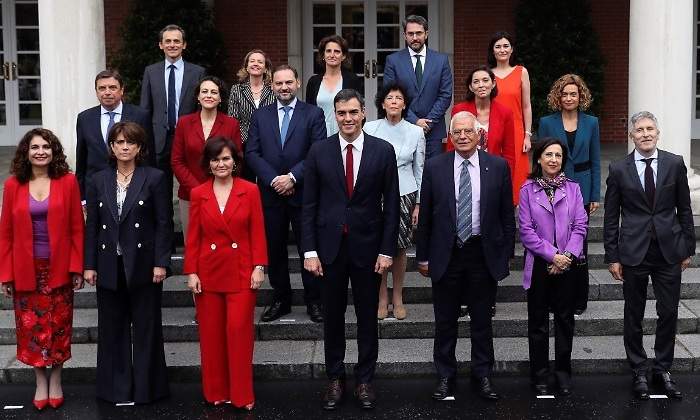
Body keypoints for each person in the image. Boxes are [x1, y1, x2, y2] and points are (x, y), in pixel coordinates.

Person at [302, 89, 399, 410]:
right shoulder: (319, 151)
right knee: (332, 317)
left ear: (364, 114)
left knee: (367, 318)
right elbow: (309, 205)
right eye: (342, 113)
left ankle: (365, 380)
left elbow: (392, 206)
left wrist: (387, 250)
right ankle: (335, 378)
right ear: (335, 116)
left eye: (353, 112)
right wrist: (309, 251)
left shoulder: (382, 151)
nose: (348, 118)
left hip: (368, 250)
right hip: (328, 251)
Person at [416, 111, 515, 402]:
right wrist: (422, 256)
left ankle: (482, 375)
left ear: (478, 134)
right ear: (450, 136)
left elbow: (506, 216)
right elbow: (426, 218)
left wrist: (506, 254)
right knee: (445, 321)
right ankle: (445, 376)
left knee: (482, 320)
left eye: (467, 131)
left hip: (482, 253)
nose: (462, 136)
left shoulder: (498, 166)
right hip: (446, 254)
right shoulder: (435, 166)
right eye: (456, 132)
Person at [603, 111, 695, 400]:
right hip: (634, 252)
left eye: (650, 129)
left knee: (668, 312)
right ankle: (639, 370)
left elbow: (685, 209)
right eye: (640, 130)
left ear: (658, 133)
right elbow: (611, 216)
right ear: (632, 135)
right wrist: (612, 255)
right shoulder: (619, 169)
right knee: (634, 313)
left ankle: (663, 368)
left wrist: (688, 247)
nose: (645, 134)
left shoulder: (674, 163)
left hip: (669, 251)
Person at [83, 122, 172, 404]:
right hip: (109, 263)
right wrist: (89, 264)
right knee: (112, 328)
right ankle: (116, 390)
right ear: (111, 147)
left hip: (145, 264)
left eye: (130, 142)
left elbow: (164, 223)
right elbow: (92, 226)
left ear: (139, 147)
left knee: (147, 328)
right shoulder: (98, 179)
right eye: (119, 142)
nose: (124, 147)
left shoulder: (154, 177)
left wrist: (161, 262)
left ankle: (148, 390)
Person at [0, 129, 84, 410]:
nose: (40, 152)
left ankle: (56, 379)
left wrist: (76, 267)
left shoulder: (68, 181)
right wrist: (6, 274)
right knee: (31, 329)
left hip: (59, 267)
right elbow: (5, 234)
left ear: (53, 151)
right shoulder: (13, 185)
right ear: (26, 152)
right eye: (34, 147)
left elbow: (77, 228)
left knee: (59, 327)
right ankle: (40, 382)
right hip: (26, 269)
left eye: (46, 147)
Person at [184, 136, 267, 410]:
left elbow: (257, 230)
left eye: (226, 158)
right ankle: (216, 391)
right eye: (215, 159)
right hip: (208, 272)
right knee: (211, 336)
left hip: (242, 271)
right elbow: (193, 237)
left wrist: (259, 266)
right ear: (208, 163)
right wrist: (191, 271)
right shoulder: (199, 193)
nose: (221, 164)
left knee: (239, 332)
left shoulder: (250, 190)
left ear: (235, 161)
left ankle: (242, 395)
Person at [247, 64, 327, 323]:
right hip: (270, 194)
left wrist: (292, 177)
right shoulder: (260, 115)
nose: (284, 87)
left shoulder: (313, 114)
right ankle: (281, 299)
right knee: (275, 248)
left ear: (298, 83)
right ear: (272, 85)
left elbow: (317, 151)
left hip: (303, 193)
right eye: (279, 83)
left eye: (289, 82)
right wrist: (274, 180)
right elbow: (252, 153)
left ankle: (314, 300)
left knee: (309, 247)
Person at [518, 137, 588, 396]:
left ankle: (562, 374)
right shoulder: (527, 190)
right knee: (537, 323)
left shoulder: (573, 189)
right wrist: (553, 255)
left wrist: (566, 256)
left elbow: (580, 225)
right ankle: (539, 375)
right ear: (539, 158)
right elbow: (526, 231)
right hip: (540, 264)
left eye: (558, 155)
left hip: (568, 264)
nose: (553, 160)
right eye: (548, 154)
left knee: (564, 321)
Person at [450, 65, 516, 319]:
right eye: (476, 81)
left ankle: (488, 299)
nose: (481, 85)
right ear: (470, 86)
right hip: (463, 176)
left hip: (493, 181)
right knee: (462, 242)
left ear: (492, 84)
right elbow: (452, 144)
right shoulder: (459, 110)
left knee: (491, 239)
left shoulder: (505, 112)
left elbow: (509, 152)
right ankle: (462, 298)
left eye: (485, 80)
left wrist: (508, 189)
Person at [538, 74, 601, 315]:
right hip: (553, 188)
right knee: (554, 242)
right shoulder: (547, 122)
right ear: (558, 96)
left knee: (578, 245)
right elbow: (542, 157)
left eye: (573, 94)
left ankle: (578, 299)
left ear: (580, 96)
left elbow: (596, 160)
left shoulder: (592, 123)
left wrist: (594, 194)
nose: (568, 98)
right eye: (564, 94)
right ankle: (553, 299)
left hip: (582, 189)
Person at [363, 82, 425, 320]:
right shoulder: (370, 128)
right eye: (389, 98)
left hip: (405, 192)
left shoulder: (415, 132)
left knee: (399, 248)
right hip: (375, 193)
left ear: (404, 104)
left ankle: (397, 296)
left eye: (398, 98)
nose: (394, 102)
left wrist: (418, 203)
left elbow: (420, 168)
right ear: (382, 103)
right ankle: (381, 297)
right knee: (377, 245)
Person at [140, 24, 206, 207]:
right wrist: (144, 140)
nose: (172, 45)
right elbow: (145, 108)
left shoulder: (198, 72)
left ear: (184, 44)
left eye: (176, 41)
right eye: (167, 41)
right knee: (160, 191)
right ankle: (165, 226)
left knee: (193, 185)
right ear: (161, 45)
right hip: (159, 140)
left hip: (188, 138)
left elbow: (202, 108)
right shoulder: (151, 72)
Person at [172, 75, 243, 234]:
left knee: (221, 242)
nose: (209, 95)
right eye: (204, 91)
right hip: (190, 195)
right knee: (192, 243)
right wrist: (198, 190)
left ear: (220, 98)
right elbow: (177, 160)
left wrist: (219, 189)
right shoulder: (184, 123)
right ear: (198, 97)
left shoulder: (231, 124)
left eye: (214, 92)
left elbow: (237, 159)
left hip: (223, 195)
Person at [383, 15, 452, 160]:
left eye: (419, 33)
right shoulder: (393, 61)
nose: (415, 38)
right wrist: (414, 121)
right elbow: (390, 95)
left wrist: (428, 122)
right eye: (410, 34)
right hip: (403, 128)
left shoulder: (441, 60)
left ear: (426, 34)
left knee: (433, 172)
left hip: (433, 131)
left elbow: (445, 95)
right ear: (404, 35)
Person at [76, 70, 154, 199]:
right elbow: (81, 160)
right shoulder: (85, 118)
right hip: (96, 190)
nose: (107, 92)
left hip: (133, 187)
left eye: (112, 88)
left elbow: (148, 156)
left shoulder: (140, 115)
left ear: (122, 90)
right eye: (102, 88)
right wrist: (82, 198)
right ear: (96, 91)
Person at [488, 31, 532, 203]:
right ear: (492, 50)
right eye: (498, 46)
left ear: (512, 49)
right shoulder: (487, 74)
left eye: (506, 46)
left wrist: (527, 134)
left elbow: (526, 106)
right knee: (492, 171)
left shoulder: (521, 72)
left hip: (516, 131)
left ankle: (513, 212)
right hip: (493, 129)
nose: (502, 50)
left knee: (517, 176)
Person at [228, 49, 275, 181]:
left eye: (260, 62)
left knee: (267, 179)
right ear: (246, 66)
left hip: (269, 143)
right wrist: (242, 143)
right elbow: (233, 120)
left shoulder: (273, 89)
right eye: (252, 61)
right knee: (247, 181)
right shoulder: (237, 89)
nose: (256, 64)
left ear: (265, 68)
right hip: (244, 144)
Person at [305, 35, 362, 136]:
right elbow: (308, 113)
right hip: (319, 134)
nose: (332, 55)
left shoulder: (352, 80)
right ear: (323, 55)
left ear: (343, 56)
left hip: (345, 134)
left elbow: (358, 110)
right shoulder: (313, 82)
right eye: (328, 51)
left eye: (337, 51)